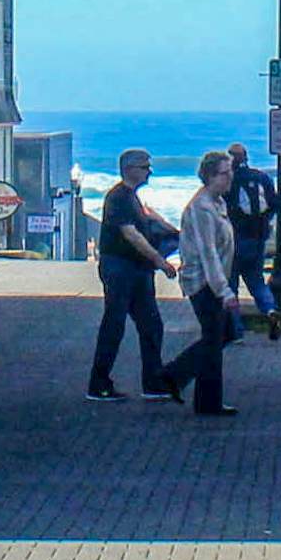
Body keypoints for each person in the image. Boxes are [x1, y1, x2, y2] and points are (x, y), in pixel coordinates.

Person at [85, 151, 180, 399]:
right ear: (129, 169)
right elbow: (131, 235)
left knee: (152, 325)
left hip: (138, 270)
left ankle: (153, 383)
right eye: (144, 166)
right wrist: (160, 261)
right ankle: (99, 384)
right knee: (114, 325)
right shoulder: (118, 197)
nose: (149, 171)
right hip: (120, 268)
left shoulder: (133, 198)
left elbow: (145, 226)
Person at [158, 148, 243, 416]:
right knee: (217, 336)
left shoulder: (218, 202)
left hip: (214, 278)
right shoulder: (202, 207)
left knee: (221, 334)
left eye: (230, 172)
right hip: (203, 281)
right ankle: (175, 375)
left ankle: (200, 396)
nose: (229, 178)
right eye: (224, 173)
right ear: (209, 176)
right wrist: (224, 290)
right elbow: (208, 252)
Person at [221, 144, 281, 335]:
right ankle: (270, 310)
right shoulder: (262, 177)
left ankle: (235, 329)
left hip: (234, 239)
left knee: (230, 284)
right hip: (258, 238)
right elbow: (274, 204)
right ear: (246, 157)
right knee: (256, 281)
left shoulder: (228, 180)